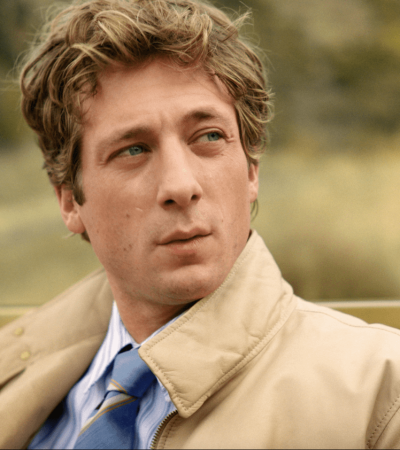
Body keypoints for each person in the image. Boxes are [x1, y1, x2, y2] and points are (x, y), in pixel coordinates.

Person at [1, 0, 400, 448]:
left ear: (251, 169)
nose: (180, 185)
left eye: (209, 136)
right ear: (69, 200)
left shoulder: (380, 395)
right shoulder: (17, 376)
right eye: (133, 150)